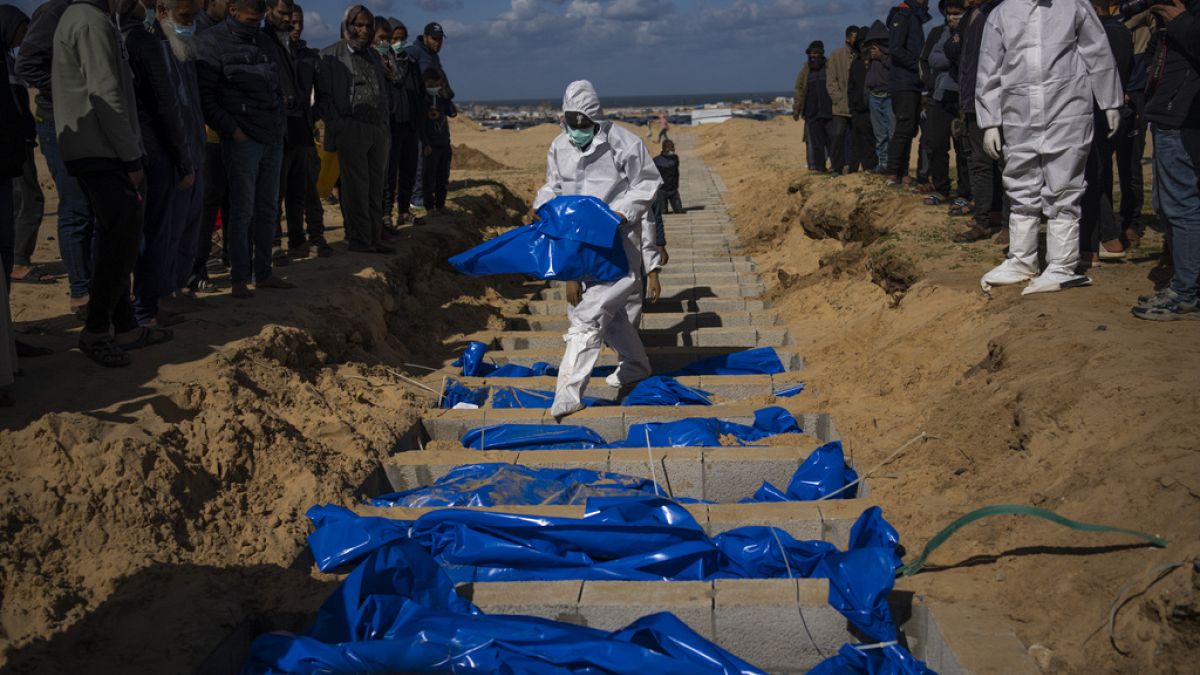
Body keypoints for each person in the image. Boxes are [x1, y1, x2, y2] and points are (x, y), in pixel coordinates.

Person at [54, 0, 173, 366]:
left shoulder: (89, 19)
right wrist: (130, 156)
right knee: (119, 243)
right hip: (102, 149)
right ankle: (96, 330)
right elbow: (106, 95)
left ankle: (124, 326)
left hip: (97, 147)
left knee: (113, 238)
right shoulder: (90, 22)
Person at [534, 80, 661, 419]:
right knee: (615, 318)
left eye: (582, 123)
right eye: (570, 122)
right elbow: (553, 186)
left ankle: (568, 393)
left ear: (595, 118)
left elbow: (648, 183)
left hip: (618, 243)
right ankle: (635, 365)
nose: (576, 130)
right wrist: (541, 205)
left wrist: (623, 211)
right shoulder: (560, 147)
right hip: (580, 243)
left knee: (587, 317)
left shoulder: (624, 143)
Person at [977, 0, 1122, 295]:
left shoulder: (1074, 6)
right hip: (1019, 111)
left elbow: (1098, 52)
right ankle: (1021, 259)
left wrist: (1110, 101)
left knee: (1065, 184)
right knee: (1020, 182)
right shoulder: (1002, 13)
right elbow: (989, 67)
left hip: (1067, 107)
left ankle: (1061, 265)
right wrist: (989, 121)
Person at [196, 0, 293, 299]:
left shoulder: (264, 40)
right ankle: (239, 277)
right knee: (241, 210)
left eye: (259, 19)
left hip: (271, 136)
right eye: (250, 20)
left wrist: (278, 122)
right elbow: (206, 97)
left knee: (267, 209)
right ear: (233, 11)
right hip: (242, 139)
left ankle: (262, 272)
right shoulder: (211, 43)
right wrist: (233, 131)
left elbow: (275, 85)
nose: (255, 25)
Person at [16, 0, 97, 319]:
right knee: (76, 209)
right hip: (58, 122)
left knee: (91, 209)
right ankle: (81, 293)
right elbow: (28, 65)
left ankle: (93, 288)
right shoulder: (56, 12)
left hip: (89, 122)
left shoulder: (97, 12)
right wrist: (71, 91)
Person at [121, 0, 197, 328]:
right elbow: (166, 106)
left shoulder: (121, 37)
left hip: (134, 149)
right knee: (154, 235)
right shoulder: (143, 41)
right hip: (154, 150)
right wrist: (183, 159)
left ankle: (141, 307)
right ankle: (145, 313)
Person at [1130, 0, 1200, 320]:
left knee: (1182, 207)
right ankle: (1184, 284)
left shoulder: (1187, 16)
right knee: (1170, 206)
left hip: (1184, 120)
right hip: (1168, 116)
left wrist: (1181, 21)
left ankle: (1187, 291)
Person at [316, 4, 393, 253]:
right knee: (356, 188)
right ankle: (360, 239)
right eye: (358, 25)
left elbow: (386, 86)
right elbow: (324, 98)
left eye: (368, 26)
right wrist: (339, 126)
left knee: (375, 186)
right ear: (347, 26)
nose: (363, 30)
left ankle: (374, 237)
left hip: (377, 129)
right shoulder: (330, 55)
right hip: (351, 129)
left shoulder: (373, 55)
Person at [157, 0, 210, 312]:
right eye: (185, 16)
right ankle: (162, 293)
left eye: (194, 16)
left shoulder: (187, 49)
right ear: (164, 12)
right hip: (174, 156)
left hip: (195, 151)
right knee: (169, 231)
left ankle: (178, 287)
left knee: (191, 228)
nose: (190, 22)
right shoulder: (157, 48)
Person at [1080, 0, 1133, 267]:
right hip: (1113, 109)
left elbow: (1100, 72)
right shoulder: (1122, 31)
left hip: (1095, 111)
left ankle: (1094, 245)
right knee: (1103, 174)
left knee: (1091, 177)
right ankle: (1108, 237)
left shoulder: (1099, 32)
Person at [949, 0, 1006, 243]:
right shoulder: (972, 16)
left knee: (1006, 165)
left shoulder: (1000, 12)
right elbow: (963, 61)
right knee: (979, 164)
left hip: (996, 101)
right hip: (972, 101)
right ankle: (985, 219)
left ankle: (1010, 224)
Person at [3, 4, 48, 288]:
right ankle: (19, 262)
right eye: (22, 30)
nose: (25, 37)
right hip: (11, 149)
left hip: (16, 145)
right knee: (29, 200)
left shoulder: (9, 61)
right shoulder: (7, 65)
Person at [188, 0, 228, 293]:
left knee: (230, 200)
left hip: (227, 130)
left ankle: (229, 259)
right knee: (206, 203)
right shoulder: (197, 32)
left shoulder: (225, 31)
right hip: (206, 132)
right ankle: (196, 268)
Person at [287, 4, 330, 255]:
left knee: (308, 190)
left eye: (299, 22)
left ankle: (313, 236)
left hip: (304, 133)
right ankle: (282, 243)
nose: (296, 27)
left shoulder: (310, 56)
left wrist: (312, 117)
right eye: (291, 21)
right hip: (279, 133)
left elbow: (323, 95)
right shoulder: (270, 50)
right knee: (277, 194)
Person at [923, 0, 971, 206]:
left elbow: (967, 59)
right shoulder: (940, 33)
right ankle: (941, 189)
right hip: (941, 96)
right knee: (936, 144)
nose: (952, 18)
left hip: (962, 96)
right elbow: (933, 59)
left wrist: (951, 54)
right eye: (949, 14)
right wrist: (951, 55)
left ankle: (964, 193)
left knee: (963, 148)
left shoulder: (972, 30)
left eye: (957, 14)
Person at [382, 18, 423, 229]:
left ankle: (404, 211)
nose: (398, 42)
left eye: (401, 38)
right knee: (390, 172)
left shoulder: (411, 63)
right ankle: (386, 213)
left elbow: (419, 92)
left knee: (409, 170)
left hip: (410, 124)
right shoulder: (383, 62)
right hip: (392, 124)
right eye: (393, 38)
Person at [885, 0, 931, 186]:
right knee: (904, 128)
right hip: (903, 82)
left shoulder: (914, 16)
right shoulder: (903, 15)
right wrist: (918, 66)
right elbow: (895, 49)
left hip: (912, 83)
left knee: (909, 128)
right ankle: (893, 174)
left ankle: (902, 173)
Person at [406, 22, 450, 212]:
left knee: (440, 162)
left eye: (440, 39)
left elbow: (442, 81)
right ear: (425, 37)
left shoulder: (434, 57)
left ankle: (435, 201)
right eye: (434, 38)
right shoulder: (413, 52)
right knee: (422, 157)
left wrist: (448, 99)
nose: (438, 42)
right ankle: (417, 198)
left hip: (437, 112)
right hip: (420, 112)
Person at [1119, 9, 1153, 247]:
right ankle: (1104, 225)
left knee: (1130, 163)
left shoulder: (1144, 11)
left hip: (1135, 91)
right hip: (1102, 90)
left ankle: (1131, 221)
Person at [792, 41, 833, 172]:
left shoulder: (829, 68)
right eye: (810, 53)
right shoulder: (805, 71)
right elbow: (799, 90)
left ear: (821, 53)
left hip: (829, 111)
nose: (812, 56)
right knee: (815, 143)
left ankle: (836, 166)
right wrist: (796, 109)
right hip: (811, 112)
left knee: (832, 140)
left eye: (815, 53)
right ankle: (819, 167)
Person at [420, 66, 455, 215]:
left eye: (436, 85)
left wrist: (446, 97)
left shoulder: (441, 99)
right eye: (430, 85)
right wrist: (425, 143)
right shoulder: (422, 100)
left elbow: (453, 113)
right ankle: (429, 207)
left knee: (443, 176)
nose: (434, 88)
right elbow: (420, 125)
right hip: (431, 145)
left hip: (444, 143)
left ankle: (441, 204)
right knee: (429, 177)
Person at [863, 21, 893, 172]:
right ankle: (883, 164)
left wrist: (881, 56)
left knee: (893, 132)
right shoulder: (868, 56)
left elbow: (894, 69)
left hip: (889, 95)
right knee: (880, 134)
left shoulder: (891, 53)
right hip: (874, 95)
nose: (874, 47)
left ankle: (894, 165)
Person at [827, 26, 857, 174]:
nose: (855, 40)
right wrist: (838, 98)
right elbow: (831, 80)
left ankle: (851, 166)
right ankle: (835, 166)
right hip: (840, 106)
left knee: (854, 138)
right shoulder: (836, 54)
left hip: (856, 105)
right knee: (837, 135)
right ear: (847, 38)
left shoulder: (860, 55)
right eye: (853, 37)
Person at [847, 25, 877, 172]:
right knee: (857, 141)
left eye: (866, 43)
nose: (863, 46)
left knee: (871, 142)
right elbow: (850, 87)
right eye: (861, 43)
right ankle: (857, 169)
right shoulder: (856, 63)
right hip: (858, 110)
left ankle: (870, 169)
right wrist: (852, 107)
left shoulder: (875, 63)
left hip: (873, 109)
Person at [653, 139, 683, 219]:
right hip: (661, 191)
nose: (672, 149)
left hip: (673, 190)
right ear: (663, 148)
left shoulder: (675, 158)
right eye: (669, 147)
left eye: (672, 147)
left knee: (679, 211)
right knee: (663, 213)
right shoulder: (656, 161)